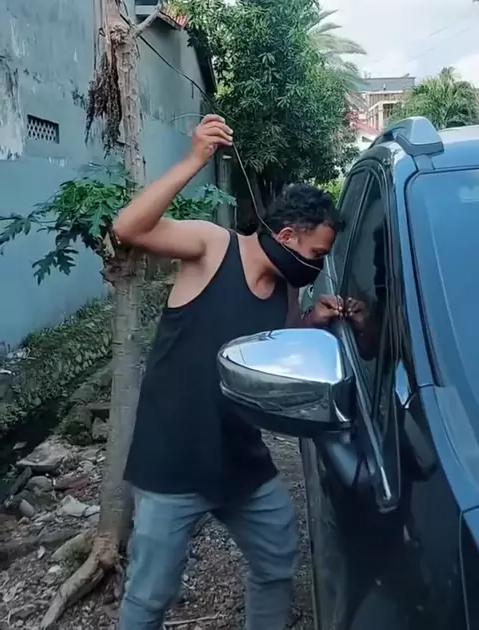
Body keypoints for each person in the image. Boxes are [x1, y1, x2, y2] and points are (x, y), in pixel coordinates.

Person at [114, 114, 344, 630]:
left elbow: (273, 348)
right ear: (287, 235)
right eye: (316, 254)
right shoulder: (212, 247)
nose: (316, 265)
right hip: (173, 459)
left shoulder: (287, 287)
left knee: (278, 557)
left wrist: (312, 321)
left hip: (239, 457)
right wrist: (194, 159)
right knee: (150, 594)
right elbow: (128, 228)